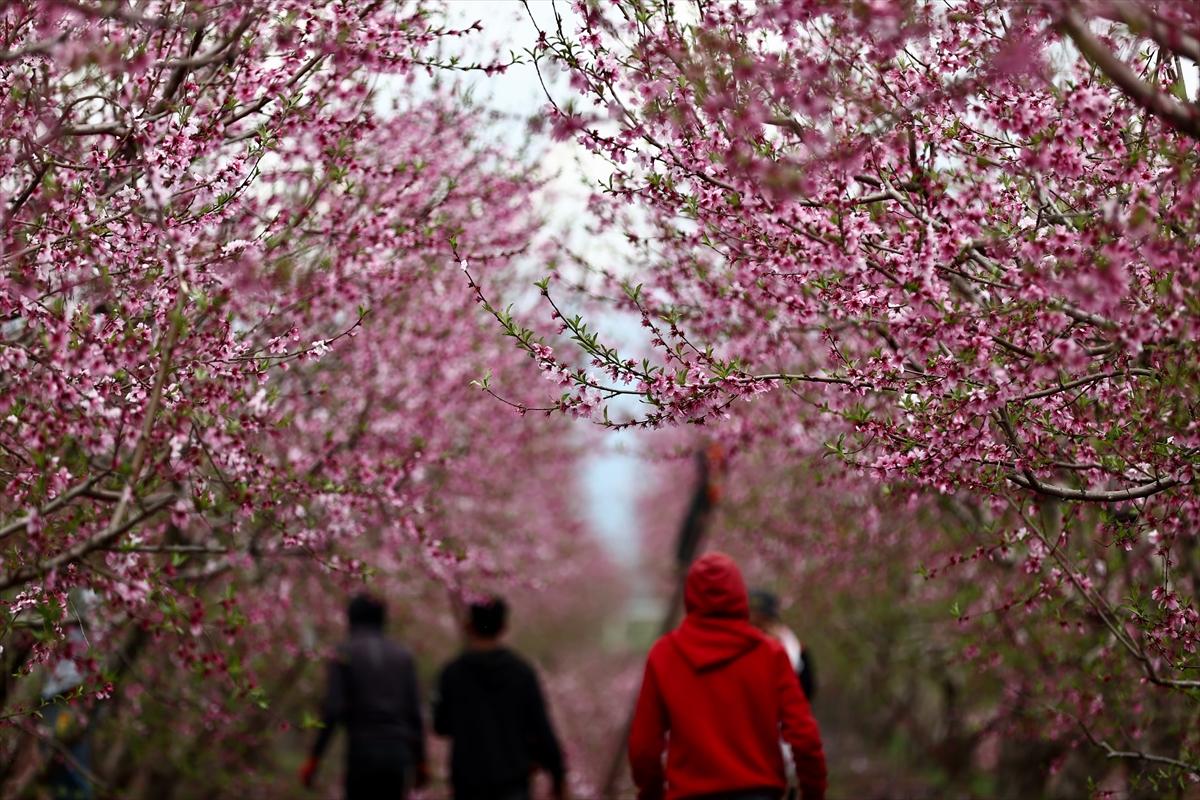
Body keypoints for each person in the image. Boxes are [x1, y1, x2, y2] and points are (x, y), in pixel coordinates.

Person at [629, 552, 827, 800]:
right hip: (760, 792)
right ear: (739, 594)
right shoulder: (770, 655)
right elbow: (803, 736)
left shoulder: (664, 656)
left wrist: (651, 794)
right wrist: (813, 792)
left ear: (689, 596)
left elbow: (643, 748)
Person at [434, 595, 566, 800]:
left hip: (468, 781)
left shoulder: (452, 672)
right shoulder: (521, 671)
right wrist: (557, 775)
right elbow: (541, 726)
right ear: (504, 627)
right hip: (513, 780)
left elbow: (441, 725)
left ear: (469, 626)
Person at [300, 593, 428, 799]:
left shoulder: (343, 652)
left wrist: (315, 758)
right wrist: (421, 762)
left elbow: (333, 709)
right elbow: (414, 714)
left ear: (351, 619)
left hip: (361, 753)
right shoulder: (403, 656)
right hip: (397, 755)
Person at [749, 589, 817, 701]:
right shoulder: (736, 652)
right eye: (753, 623)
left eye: (763, 622)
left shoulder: (797, 651)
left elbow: (805, 693)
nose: (759, 630)